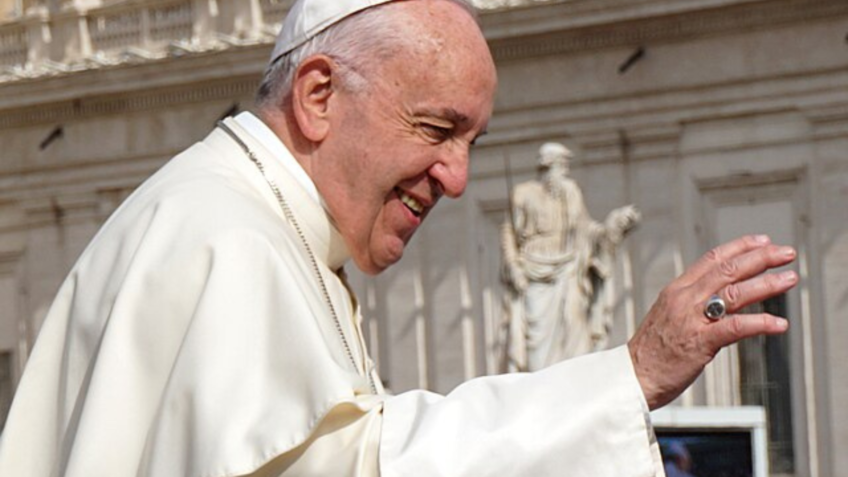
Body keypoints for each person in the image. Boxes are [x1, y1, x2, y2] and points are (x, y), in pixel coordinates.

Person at [0, 0, 798, 476]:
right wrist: (626, 375)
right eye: (435, 128)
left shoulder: (241, 222)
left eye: (472, 143)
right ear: (317, 96)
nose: (456, 177)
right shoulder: (224, 237)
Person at [501, 142, 639, 371]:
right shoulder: (523, 194)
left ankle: (573, 388)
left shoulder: (571, 193)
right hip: (535, 274)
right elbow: (508, 233)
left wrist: (614, 225)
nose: (564, 172)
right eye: (561, 166)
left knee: (575, 332)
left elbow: (587, 231)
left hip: (569, 272)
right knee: (536, 343)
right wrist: (513, 267)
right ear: (547, 167)